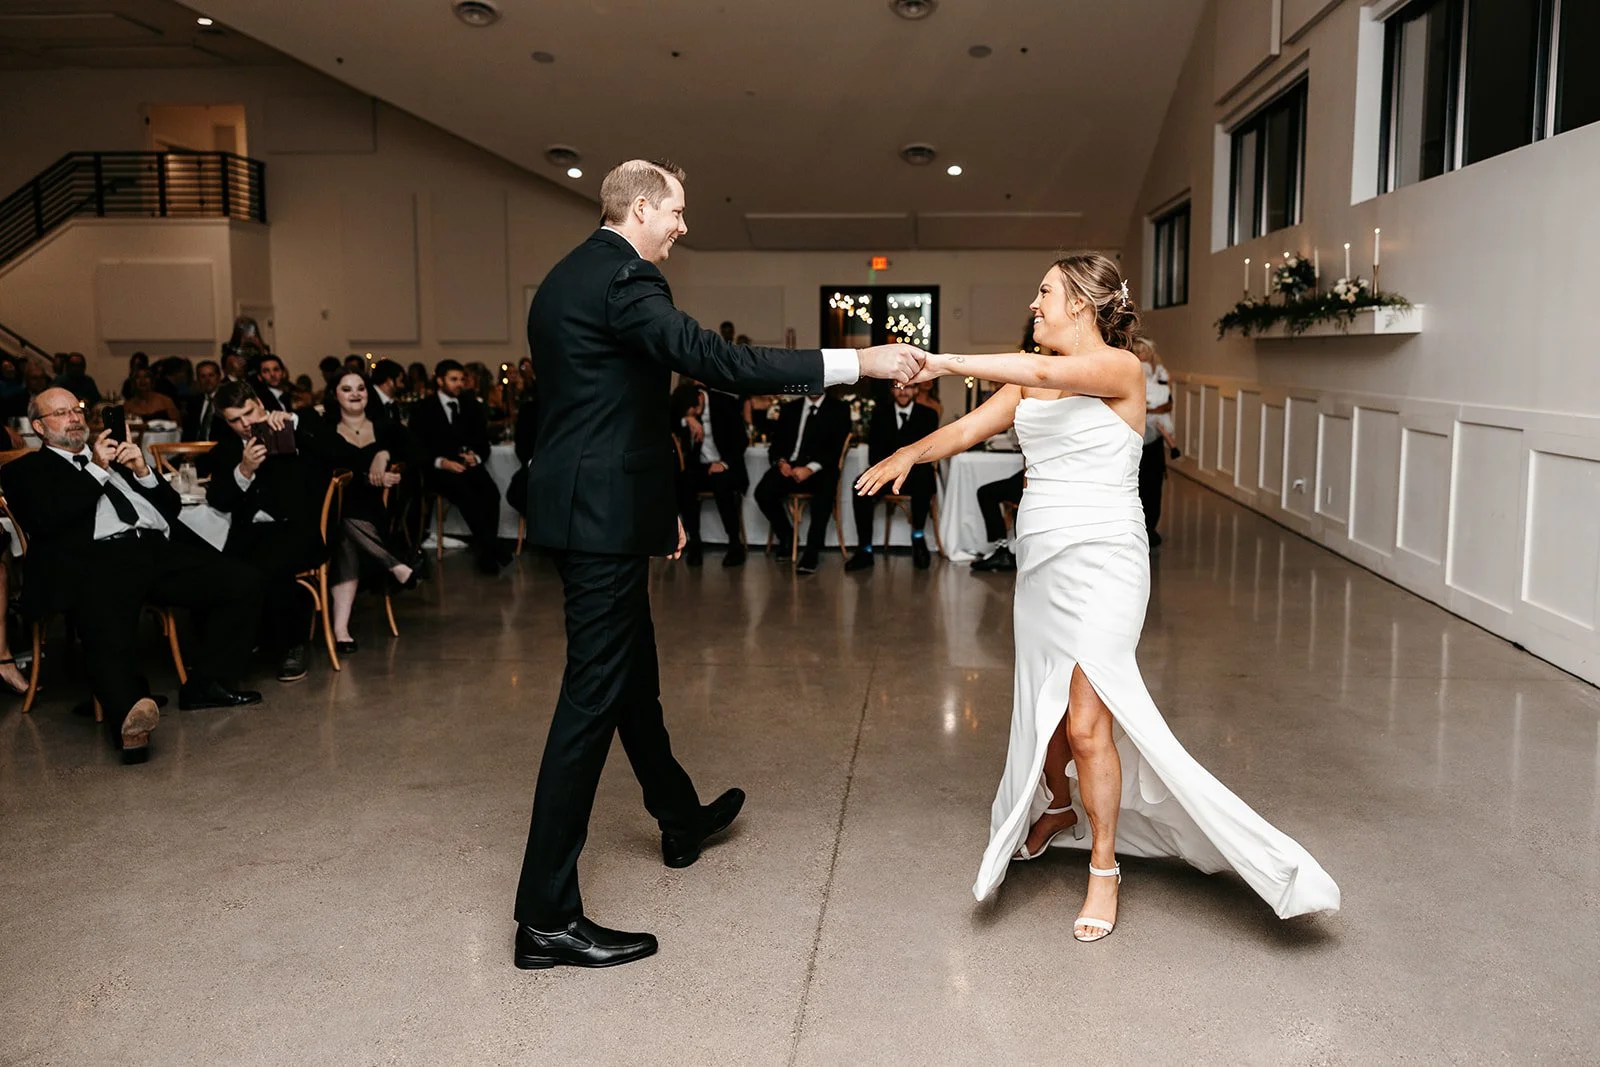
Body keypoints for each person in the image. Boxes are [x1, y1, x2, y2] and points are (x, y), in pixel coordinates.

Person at [514, 157, 923, 970]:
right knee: (589, 705)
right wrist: (859, 363)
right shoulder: (629, 282)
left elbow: (602, 408)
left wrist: (653, 499)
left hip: (591, 510)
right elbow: (719, 362)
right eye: (676, 212)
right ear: (639, 208)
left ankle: (677, 814)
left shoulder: (569, 276)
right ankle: (545, 917)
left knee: (632, 681)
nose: (683, 225)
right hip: (598, 523)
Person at [857, 253, 1339, 941]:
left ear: (1082, 303)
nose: (1034, 303)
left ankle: (1104, 869)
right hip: (1044, 565)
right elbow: (969, 429)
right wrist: (911, 453)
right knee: (1046, 708)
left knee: (1088, 724)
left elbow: (1048, 371)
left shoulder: (1121, 369)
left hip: (1108, 562)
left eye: (1045, 292)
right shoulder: (1028, 384)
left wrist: (943, 359)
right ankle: (1055, 805)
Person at [1, 389, 263, 761]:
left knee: (242, 580)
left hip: (155, 550)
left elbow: (171, 509)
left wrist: (142, 471)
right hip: (96, 558)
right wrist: (96, 468)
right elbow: (50, 517)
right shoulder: (25, 471)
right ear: (40, 427)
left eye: (76, 410)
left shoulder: (120, 461)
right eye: (60, 413)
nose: (74, 418)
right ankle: (129, 718)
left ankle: (206, 685)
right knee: (104, 610)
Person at [206, 380, 329, 683]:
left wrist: (293, 424)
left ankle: (292, 644)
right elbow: (218, 499)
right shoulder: (226, 449)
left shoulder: (291, 431)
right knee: (212, 564)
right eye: (235, 420)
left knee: (271, 561)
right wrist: (243, 471)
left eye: (249, 413)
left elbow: (331, 456)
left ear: (260, 403)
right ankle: (231, 647)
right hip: (250, 534)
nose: (245, 424)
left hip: (296, 530)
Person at [317, 372, 420, 652]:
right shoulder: (326, 432)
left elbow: (414, 455)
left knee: (347, 533)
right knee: (344, 527)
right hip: (335, 513)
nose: (355, 394)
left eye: (361, 388)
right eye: (346, 388)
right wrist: (367, 476)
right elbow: (328, 472)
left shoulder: (386, 428)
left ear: (368, 393)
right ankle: (394, 565)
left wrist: (385, 454)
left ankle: (341, 630)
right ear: (334, 394)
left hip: (378, 515)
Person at [409, 359, 507, 574]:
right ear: (440, 380)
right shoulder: (423, 408)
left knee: (491, 493)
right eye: (453, 379)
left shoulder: (471, 405)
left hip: (469, 465)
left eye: (461, 379)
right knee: (466, 495)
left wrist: (476, 457)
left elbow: (482, 441)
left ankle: (488, 550)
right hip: (440, 470)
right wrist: (442, 462)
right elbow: (417, 447)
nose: (459, 384)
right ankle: (493, 547)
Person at [844, 379, 939, 571]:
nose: (903, 392)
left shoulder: (928, 415)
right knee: (860, 486)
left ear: (915, 390)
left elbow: (929, 453)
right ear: (892, 391)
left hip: (915, 475)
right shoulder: (880, 414)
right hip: (887, 475)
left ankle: (918, 538)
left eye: (909, 387)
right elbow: (874, 455)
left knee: (925, 477)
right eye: (898, 387)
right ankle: (865, 549)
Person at [754, 390, 851, 574]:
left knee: (823, 496)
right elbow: (776, 445)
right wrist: (781, 462)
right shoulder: (790, 408)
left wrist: (810, 468)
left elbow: (835, 449)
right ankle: (786, 535)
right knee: (763, 491)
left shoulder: (839, 409)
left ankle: (812, 551)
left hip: (820, 469)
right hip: (790, 467)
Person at [674, 376, 753, 567]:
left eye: (694, 412)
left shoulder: (725, 403)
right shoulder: (686, 408)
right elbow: (670, 420)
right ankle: (694, 543)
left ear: (700, 399)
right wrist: (688, 419)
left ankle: (735, 544)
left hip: (726, 466)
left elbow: (742, 441)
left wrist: (724, 463)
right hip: (700, 466)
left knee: (722, 483)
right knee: (683, 482)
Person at [1133, 337, 1176, 547]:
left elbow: (1168, 403)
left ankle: (1150, 526)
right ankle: (1139, 527)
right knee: (1137, 483)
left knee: (1154, 481)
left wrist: (1152, 410)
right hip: (1136, 435)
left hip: (1154, 438)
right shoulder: (1131, 371)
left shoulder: (1160, 373)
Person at [183, 360, 223, 442]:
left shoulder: (226, 400)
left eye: (211, 375)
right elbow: (189, 432)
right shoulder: (194, 402)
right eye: (203, 376)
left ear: (219, 377)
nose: (207, 380)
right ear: (198, 380)